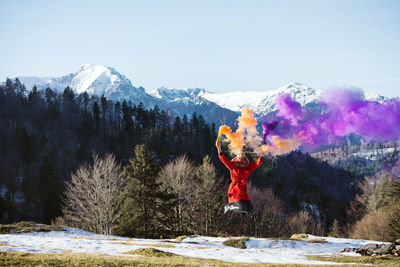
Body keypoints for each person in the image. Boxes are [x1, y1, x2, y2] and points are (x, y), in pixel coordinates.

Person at [216, 136, 264, 214]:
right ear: (237, 156)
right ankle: (229, 206)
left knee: (250, 210)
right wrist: (219, 148)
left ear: (244, 156)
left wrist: (262, 155)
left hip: (243, 191)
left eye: (243, 153)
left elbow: (256, 164)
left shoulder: (247, 167)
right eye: (239, 153)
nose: (241, 154)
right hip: (235, 191)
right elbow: (223, 159)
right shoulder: (233, 165)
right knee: (242, 208)